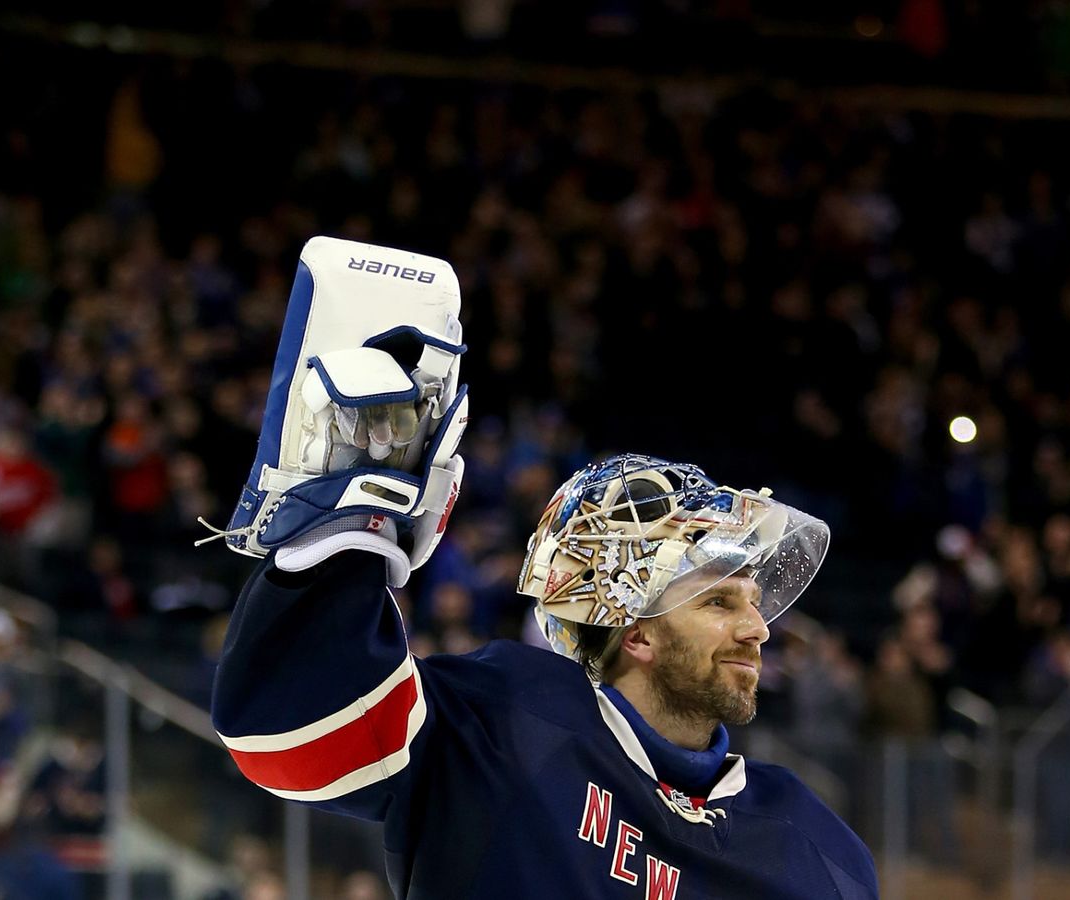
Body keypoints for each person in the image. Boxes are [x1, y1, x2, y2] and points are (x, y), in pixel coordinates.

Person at [208, 238, 876, 898]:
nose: (759, 628)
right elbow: (290, 738)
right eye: (719, 603)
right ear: (636, 631)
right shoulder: (508, 720)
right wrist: (346, 534)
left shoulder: (819, 849)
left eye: (753, 601)